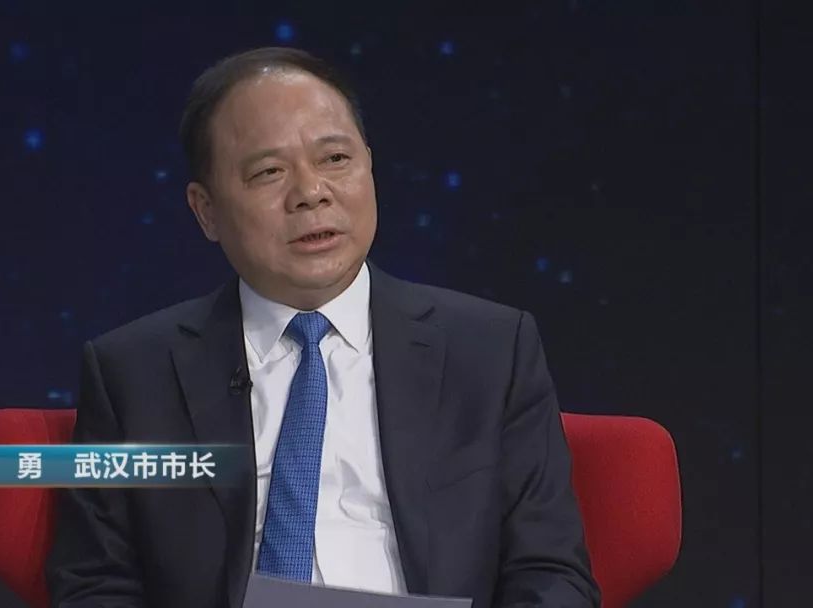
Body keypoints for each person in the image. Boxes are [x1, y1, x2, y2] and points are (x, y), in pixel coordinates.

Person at [46, 46, 600, 608]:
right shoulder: (135, 373)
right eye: (269, 172)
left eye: (335, 158)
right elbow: (95, 583)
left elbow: (550, 572)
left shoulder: (490, 351)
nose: (311, 192)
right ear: (206, 210)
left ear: (370, 167)